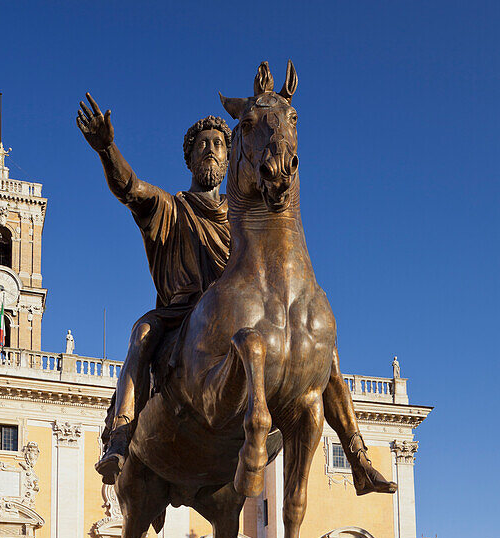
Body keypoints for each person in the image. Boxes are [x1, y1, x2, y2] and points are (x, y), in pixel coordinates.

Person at [77, 94, 396, 497]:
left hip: (245, 313)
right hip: (184, 313)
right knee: (142, 333)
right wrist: (107, 148)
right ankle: (121, 433)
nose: (210, 150)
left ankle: (357, 454)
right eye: (201, 145)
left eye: (218, 144)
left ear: (230, 160)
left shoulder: (245, 214)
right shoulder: (170, 209)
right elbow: (130, 189)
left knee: (322, 343)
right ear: (190, 160)